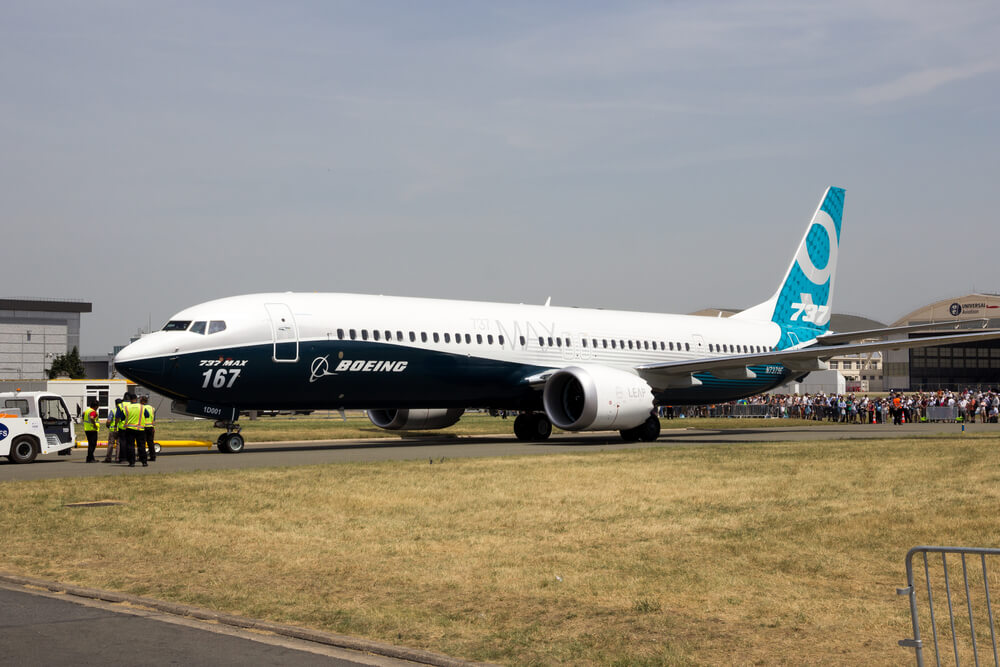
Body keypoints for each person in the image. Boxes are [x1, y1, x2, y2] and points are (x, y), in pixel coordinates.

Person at [124, 392, 148, 467]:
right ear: (136, 399)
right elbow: (147, 415)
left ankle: (132, 462)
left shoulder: (127, 408)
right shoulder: (142, 407)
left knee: (130, 446)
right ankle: (144, 462)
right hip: (140, 429)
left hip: (130, 429)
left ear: (130, 400)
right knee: (141, 445)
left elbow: (122, 417)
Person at [104, 398, 122, 462]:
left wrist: (107, 425)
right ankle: (117, 458)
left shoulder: (113, 411)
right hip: (120, 429)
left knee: (111, 444)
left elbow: (109, 421)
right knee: (118, 444)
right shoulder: (123, 410)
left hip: (112, 429)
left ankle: (108, 458)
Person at [139, 395, 156, 462]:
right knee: (150, 443)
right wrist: (153, 427)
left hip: (143, 427)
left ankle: (143, 457)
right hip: (151, 427)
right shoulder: (152, 408)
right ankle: (153, 456)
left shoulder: (141, 408)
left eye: (140, 400)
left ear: (142, 401)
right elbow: (153, 419)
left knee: (142, 443)